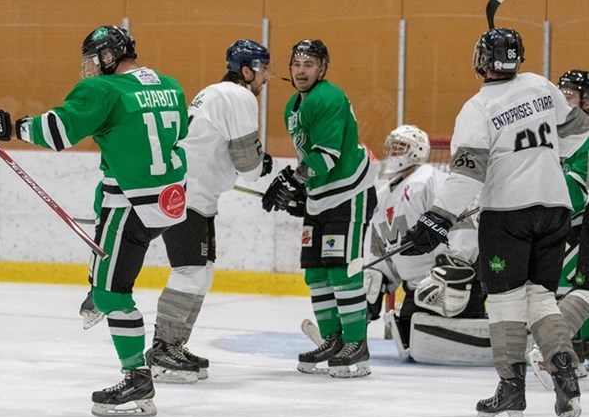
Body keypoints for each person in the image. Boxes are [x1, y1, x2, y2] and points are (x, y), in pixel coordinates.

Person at [0, 25, 188, 417]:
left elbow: (57, 131)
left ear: (108, 56)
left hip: (132, 204)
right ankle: (98, 283)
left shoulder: (103, 90)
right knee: (103, 207)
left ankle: (137, 377)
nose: (89, 68)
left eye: (93, 59)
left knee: (113, 294)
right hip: (170, 201)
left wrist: (8, 127)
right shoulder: (170, 85)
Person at [399, 28, 586, 417]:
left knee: (505, 302)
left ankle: (511, 394)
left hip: (508, 212)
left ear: (481, 61)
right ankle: (565, 372)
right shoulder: (540, 85)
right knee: (541, 298)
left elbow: (468, 175)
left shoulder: (477, 107)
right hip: (555, 207)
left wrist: (437, 217)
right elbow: (578, 132)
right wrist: (545, 159)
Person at [147, 39, 274, 383]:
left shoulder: (214, 92)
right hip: (186, 195)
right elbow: (248, 166)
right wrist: (261, 164)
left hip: (196, 197)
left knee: (201, 272)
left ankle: (174, 344)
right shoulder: (239, 96)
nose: (266, 78)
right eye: (263, 70)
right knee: (189, 271)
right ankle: (162, 350)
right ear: (246, 71)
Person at [261, 39, 377, 378]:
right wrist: (299, 187)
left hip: (348, 192)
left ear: (322, 69)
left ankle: (356, 344)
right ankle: (332, 339)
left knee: (342, 271)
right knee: (316, 272)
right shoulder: (293, 105)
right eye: (297, 64)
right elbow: (309, 157)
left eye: (309, 64)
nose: (301, 71)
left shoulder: (329, 97)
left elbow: (326, 156)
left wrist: (293, 181)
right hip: (321, 196)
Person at [364, 124, 484, 358]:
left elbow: (460, 222)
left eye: (400, 147)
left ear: (417, 150)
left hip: (451, 285)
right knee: (410, 336)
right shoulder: (383, 195)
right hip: (416, 290)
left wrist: (456, 267)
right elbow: (382, 246)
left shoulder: (431, 180)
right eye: (392, 148)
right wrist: (377, 281)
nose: (393, 153)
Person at [528, 69, 589, 386]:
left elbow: (575, 191)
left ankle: (562, 350)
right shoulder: (553, 133)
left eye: (571, 95)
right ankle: (558, 351)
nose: (564, 102)